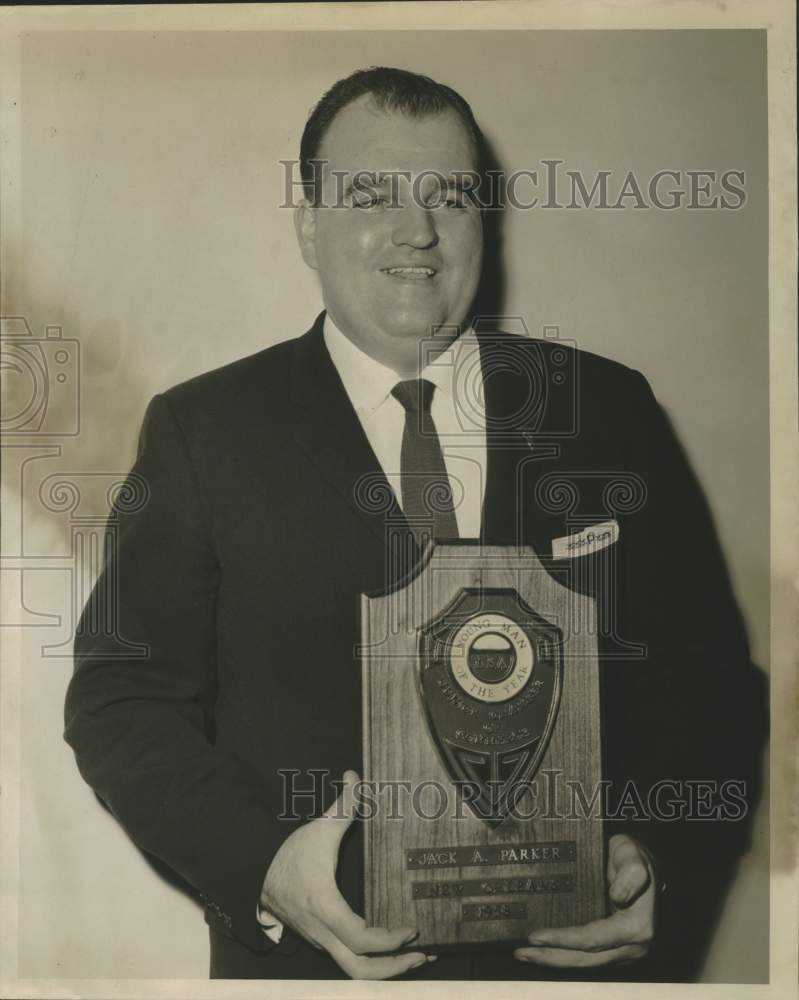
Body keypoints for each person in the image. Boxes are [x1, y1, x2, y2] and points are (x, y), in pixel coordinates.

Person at [64, 66, 766, 982]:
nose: (416, 230)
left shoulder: (607, 411)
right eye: (370, 194)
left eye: (450, 195)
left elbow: (709, 685)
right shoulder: (205, 432)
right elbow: (122, 704)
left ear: (484, 221)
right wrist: (269, 868)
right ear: (308, 224)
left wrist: (658, 862)